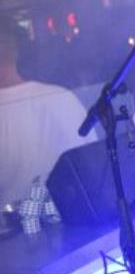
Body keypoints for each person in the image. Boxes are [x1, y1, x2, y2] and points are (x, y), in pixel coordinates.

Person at [0, 14, 95, 207]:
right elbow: (94, 169)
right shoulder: (60, 97)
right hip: (71, 216)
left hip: (61, 218)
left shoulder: (58, 99)